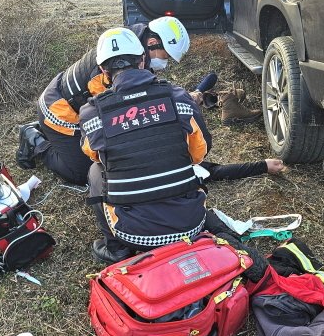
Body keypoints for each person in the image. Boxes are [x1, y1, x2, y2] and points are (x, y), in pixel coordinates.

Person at [80, 27, 211, 263]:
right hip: (191, 225)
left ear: (103, 71)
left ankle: (116, 249)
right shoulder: (178, 97)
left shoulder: (92, 112)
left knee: (95, 170)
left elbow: (93, 153)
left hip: (133, 235)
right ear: (142, 61)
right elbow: (199, 154)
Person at [15, 17, 191, 184]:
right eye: (166, 56)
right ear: (152, 43)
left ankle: (50, 134)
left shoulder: (131, 44)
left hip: (77, 104)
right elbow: (110, 112)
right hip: (60, 111)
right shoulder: (110, 69)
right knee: (81, 172)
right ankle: (34, 138)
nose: (165, 63)